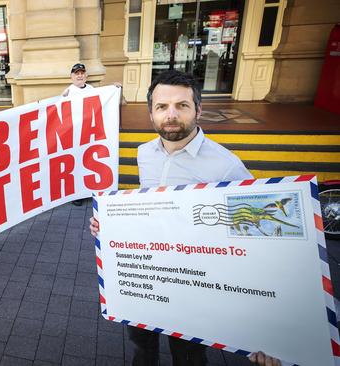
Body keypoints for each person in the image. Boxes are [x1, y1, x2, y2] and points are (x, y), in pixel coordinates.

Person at [88, 70, 281, 366]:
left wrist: (268, 329)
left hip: (195, 285)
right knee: (142, 350)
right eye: (162, 107)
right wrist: (110, 225)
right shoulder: (144, 154)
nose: (171, 115)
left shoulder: (225, 166)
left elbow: (261, 234)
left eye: (182, 105)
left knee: (189, 357)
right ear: (151, 113)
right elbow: (148, 211)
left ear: (199, 110)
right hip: (146, 278)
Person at [63, 63, 124, 206]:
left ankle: (90, 189)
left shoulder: (91, 89)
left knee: (90, 162)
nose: (79, 75)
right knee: (76, 163)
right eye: (76, 73)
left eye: (82, 73)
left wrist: (113, 88)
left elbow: (103, 99)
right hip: (75, 135)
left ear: (86, 76)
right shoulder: (68, 91)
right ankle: (76, 194)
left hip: (90, 134)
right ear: (71, 76)